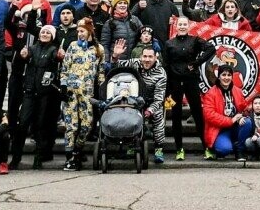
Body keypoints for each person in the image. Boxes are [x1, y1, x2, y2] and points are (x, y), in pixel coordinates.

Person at [10, 23, 64, 169]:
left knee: (40, 126)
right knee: (22, 125)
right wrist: (23, 57)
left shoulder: (54, 50)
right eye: (43, 32)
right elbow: (23, 61)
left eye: (48, 32)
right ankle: (16, 157)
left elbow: (58, 60)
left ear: (52, 36)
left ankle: (38, 158)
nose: (44, 34)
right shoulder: (32, 48)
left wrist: (60, 57)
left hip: (45, 93)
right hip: (29, 92)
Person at [162, 16, 215, 161]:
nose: (183, 26)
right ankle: (179, 149)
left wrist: (197, 62)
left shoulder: (195, 40)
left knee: (198, 114)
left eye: (185, 24)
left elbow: (211, 49)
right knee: (176, 116)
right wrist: (167, 90)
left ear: (188, 26)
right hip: (174, 82)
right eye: (180, 24)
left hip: (191, 81)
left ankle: (207, 148)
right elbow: (165, 66)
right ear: (176, 26)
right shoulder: (169, 43)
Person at [59, 18, 104, 171]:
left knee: (86, 124)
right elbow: (64, 68)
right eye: (78, 31)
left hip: (87, 93)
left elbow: (101, 73)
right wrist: (63, 86)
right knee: (71, 125)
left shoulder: (98, 49)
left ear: (89, 31)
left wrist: (102, 91)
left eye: (82, 31)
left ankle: (78, 149)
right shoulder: (72, 46)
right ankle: (70, 157)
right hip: (71, 92)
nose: (79, 34)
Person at [113, 45, 169, 164]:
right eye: (144, 56)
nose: (147, 59)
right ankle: (132, 145)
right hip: (134, 100)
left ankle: (159, 149)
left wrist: (149, 110)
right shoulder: (135, 63)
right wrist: (116, 56)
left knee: (158, 116)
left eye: (150, 57)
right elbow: (116, 66)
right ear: (140, 57)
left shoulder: (161, 73)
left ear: (155, 57)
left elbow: (159, 98)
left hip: (152, 102)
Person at [201, 64, 251, 161]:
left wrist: (242, 115)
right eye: (223, 75)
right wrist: (231, 120)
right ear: (219, 76)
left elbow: (244, 109)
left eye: (229, 75)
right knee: (224, 150)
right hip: (220, 130)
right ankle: (228, 144)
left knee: (247, 122)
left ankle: (240, 150)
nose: (226, 78)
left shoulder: (238, 91)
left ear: (232, 77)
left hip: (235, 127)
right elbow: (209, 115)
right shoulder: (210, 93)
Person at [99, 0, 144, 64]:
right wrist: (107, 61)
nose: (123, 5)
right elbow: (105, 44)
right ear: (115, 6)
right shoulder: (109, 23)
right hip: (117, 61)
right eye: (120, 3)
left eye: (125, 3)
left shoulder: (135, 20)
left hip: (134, 61)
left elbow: (144, 33)